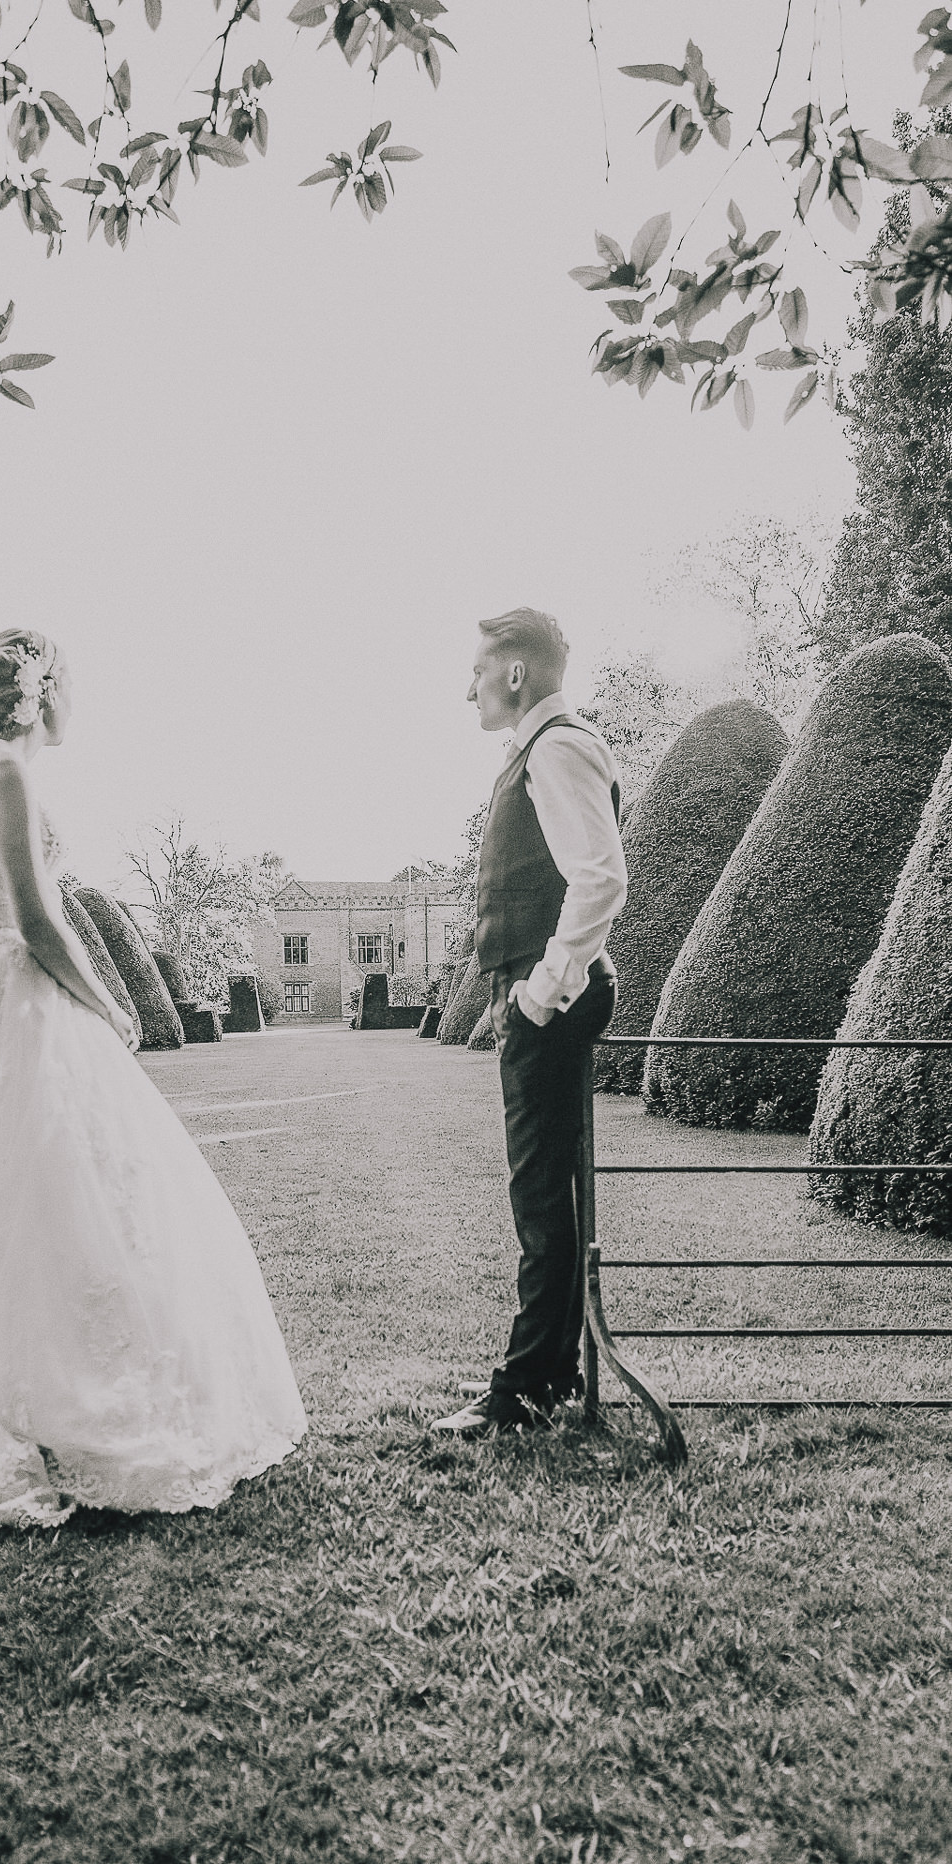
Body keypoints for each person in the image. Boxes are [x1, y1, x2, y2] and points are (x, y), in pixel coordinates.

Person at [0, 628, 306, 1530]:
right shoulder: (4, 772)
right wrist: (110, 1006)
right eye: (73, 686)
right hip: (18, 999)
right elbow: (36, 919)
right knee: (41, 1188)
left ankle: (59, 1368)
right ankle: (49, 1391)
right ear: (48, 691)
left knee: (51, 1191)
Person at [432, 608, 626, 1438]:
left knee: (542, 1197)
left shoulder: (560, 748)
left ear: (515, 673)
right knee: (547, 1194)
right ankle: (548, 1373)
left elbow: (601, 879)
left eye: (477, 669)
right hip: (540, 991)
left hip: (550, 995)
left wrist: (542, 990)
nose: (465, 686)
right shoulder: (537, 754)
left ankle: (525, 1390)